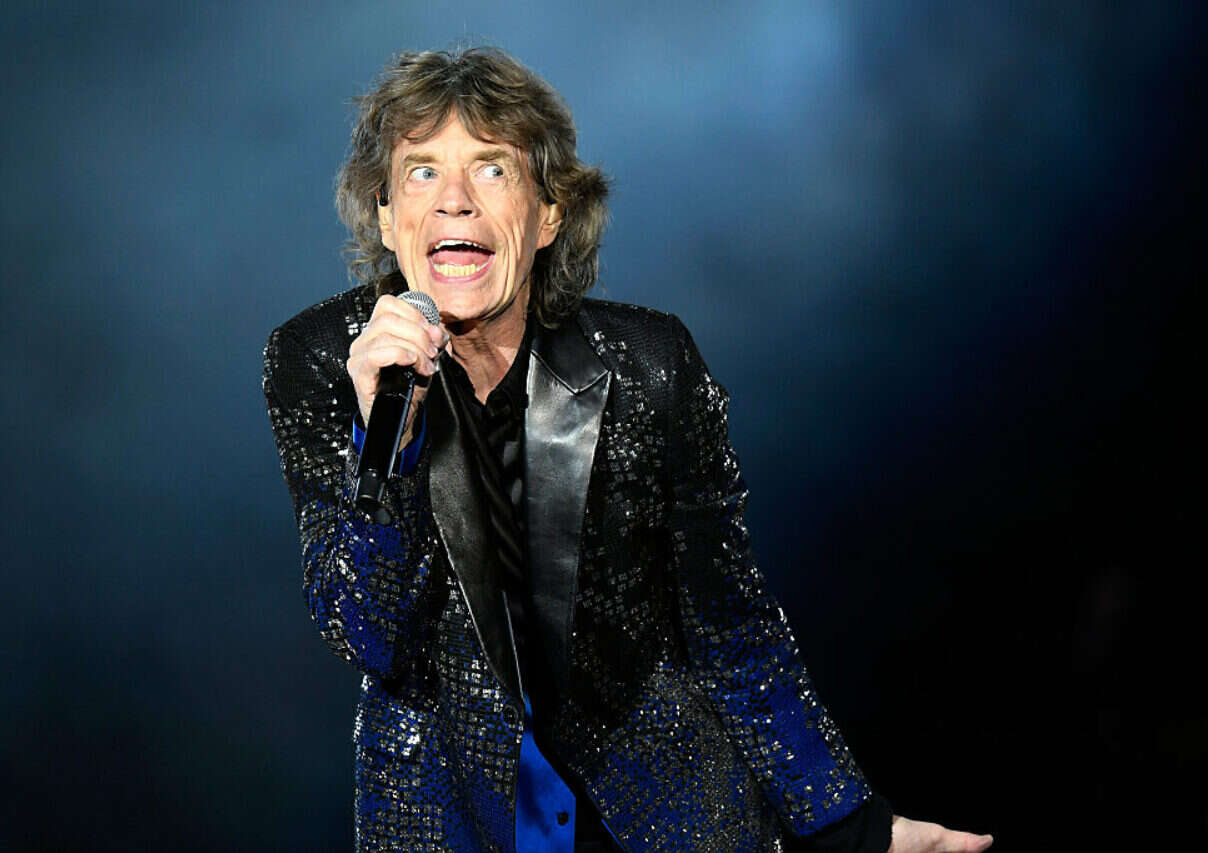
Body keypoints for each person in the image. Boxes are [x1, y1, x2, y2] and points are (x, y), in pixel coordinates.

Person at [264, 46, 993, 853]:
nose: (455, 200)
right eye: (423, 171)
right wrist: (388, 442)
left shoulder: (652, 366)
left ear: (549, 214)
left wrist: (856, 829)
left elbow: (732, 625)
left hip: (662, 812)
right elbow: (366, 634)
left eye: (493, 169)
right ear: (384, 213)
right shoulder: (322, 360)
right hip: (448, 819)